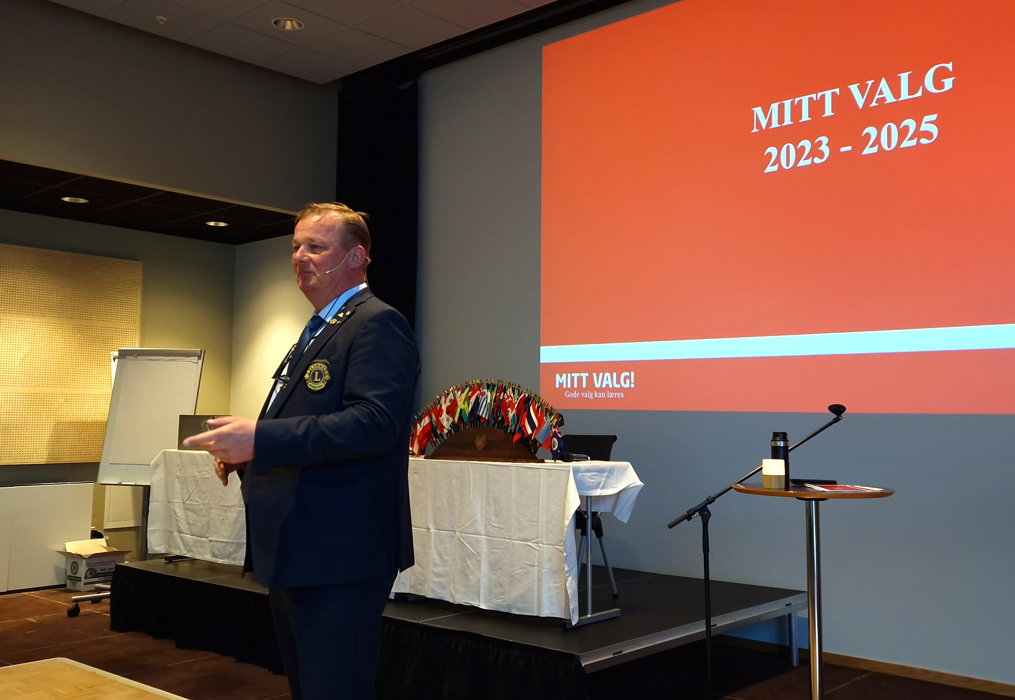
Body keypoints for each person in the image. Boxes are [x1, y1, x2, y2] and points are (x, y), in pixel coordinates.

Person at [183, 202, 419, 700]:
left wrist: (261, 439)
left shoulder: (377, 323)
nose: (299, 257)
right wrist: (249, 452)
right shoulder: (319, 329)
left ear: (355, 258)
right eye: (295, 246)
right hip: (304, 545)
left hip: (341, 550)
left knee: (335, 688)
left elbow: (374, 424)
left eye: (316, 247)